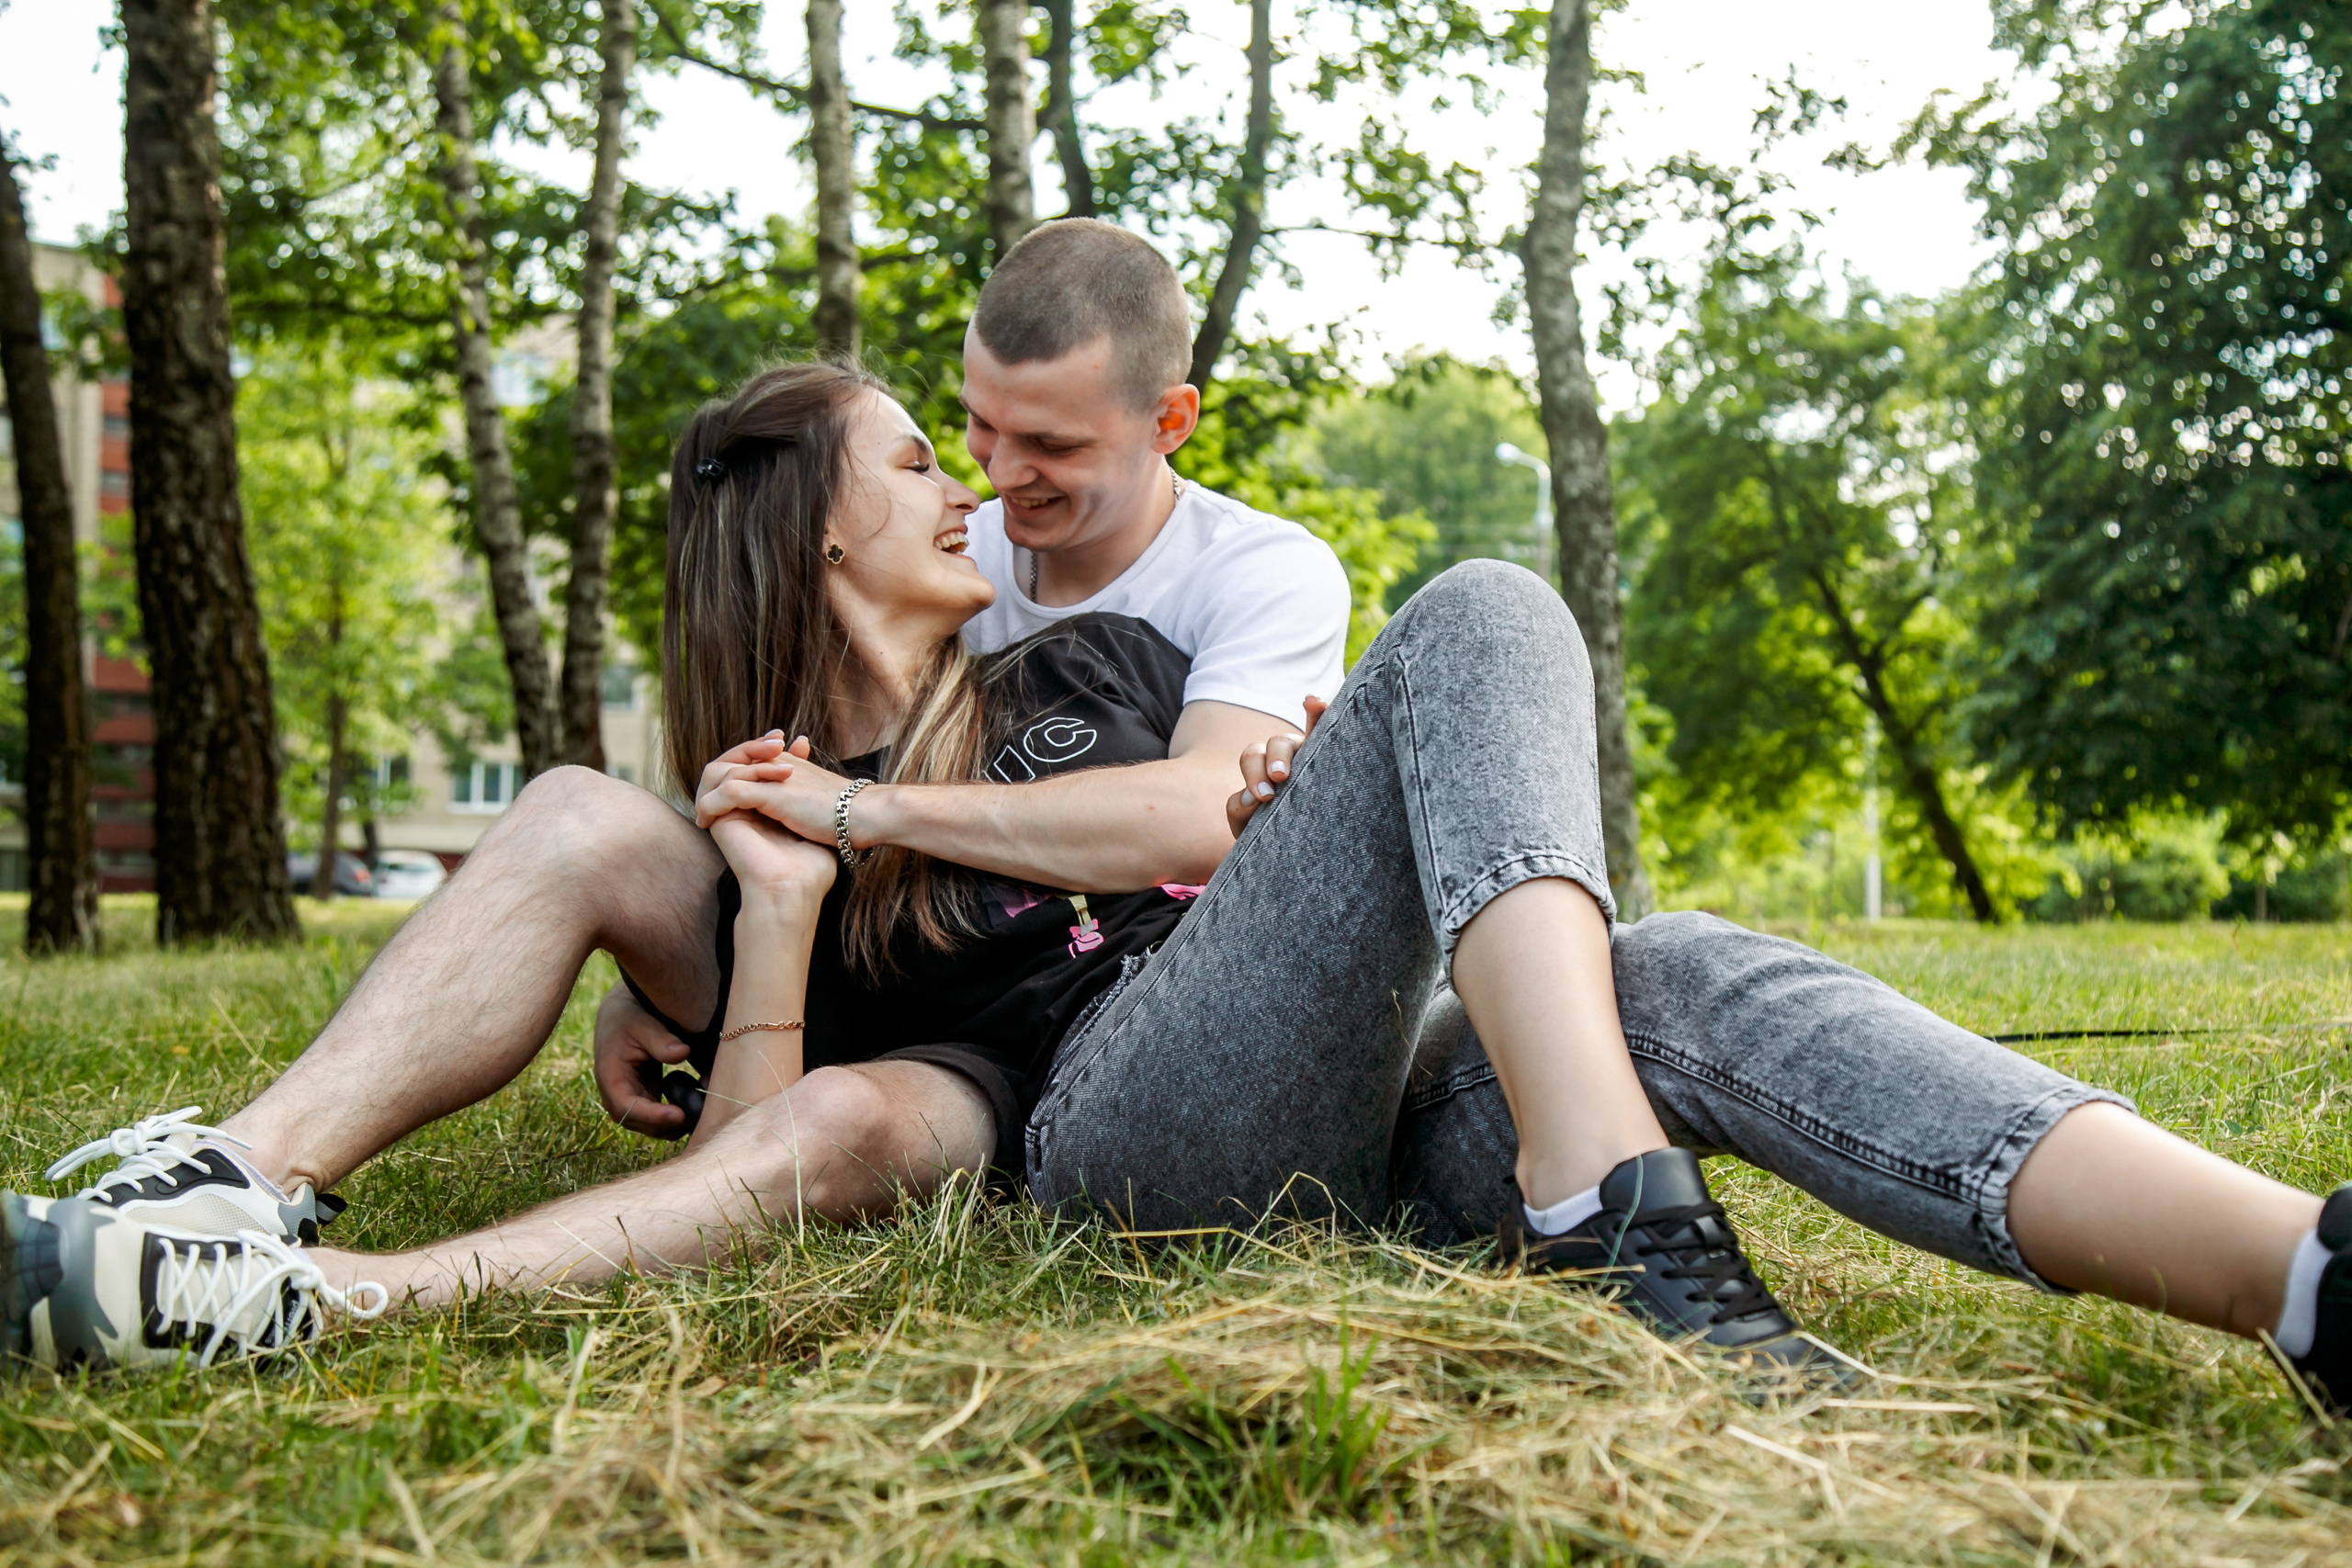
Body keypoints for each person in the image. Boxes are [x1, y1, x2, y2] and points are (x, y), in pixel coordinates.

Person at [7, 359, 2351, 1413]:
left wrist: (902, 812)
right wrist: (796, 888)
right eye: (918, 463)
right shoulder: (762, 819)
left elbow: (1208, 823)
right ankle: (272, 1237)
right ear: (810, 531)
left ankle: (2304, 1281)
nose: (972, 493)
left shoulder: (1100, 653)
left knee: (1668, 939)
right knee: (1482, 625)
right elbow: (770, 1154)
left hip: (1379, 1079)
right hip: (1132, 1122)